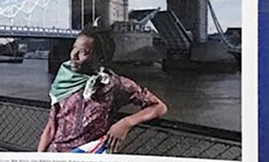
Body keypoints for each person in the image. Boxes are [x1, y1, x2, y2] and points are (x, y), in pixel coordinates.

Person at [36, 26, 169, 153]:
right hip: (55, 158)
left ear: (101, 57)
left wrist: (126, 123)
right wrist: (38, 160)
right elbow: (50, 128)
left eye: (83, 52)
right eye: (74, 48)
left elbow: (159, 107)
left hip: (90, 159)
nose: (74, 56)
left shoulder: (114, 84)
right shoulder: (63, 81)